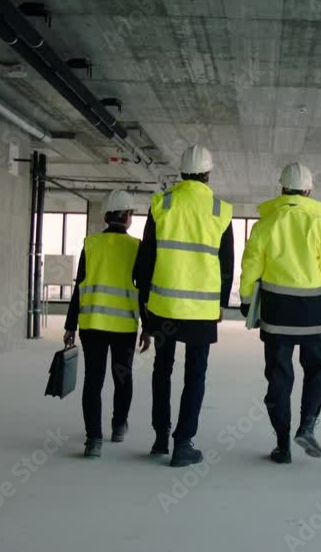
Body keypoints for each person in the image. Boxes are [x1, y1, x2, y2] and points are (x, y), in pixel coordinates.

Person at [239, 162, 321, 464]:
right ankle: (308, 425)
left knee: (278, 376)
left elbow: (251, 265)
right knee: (316, 369)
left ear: (282, 189)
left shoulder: (266, 224)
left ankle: (282, 444)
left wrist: (247, 301)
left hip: (276, 313)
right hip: (313, 313)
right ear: (309, 191)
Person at [133, 144, 234, 468]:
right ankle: (183, 443)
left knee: (162, 369)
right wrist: (220, 302)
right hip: (201, 310)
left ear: (182, 172)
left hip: (163, 304)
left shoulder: (162, 204)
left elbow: (146, 257)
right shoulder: (221, 210)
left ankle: (160, 437)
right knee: (196, 374)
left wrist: (144, 303)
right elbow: (227, 263)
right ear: (208, 173)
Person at [64, 190, 146, 459]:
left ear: (106, 216)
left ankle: (93, 440)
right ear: (128, 217)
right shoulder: (137, 247)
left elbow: (79, 286)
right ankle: (119, 425)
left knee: (93, 380)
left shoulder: (91, 243)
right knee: (123, 377)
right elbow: (143, 290)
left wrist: (70, 325)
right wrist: (148, 326)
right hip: (124, 326)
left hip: (92, 325)